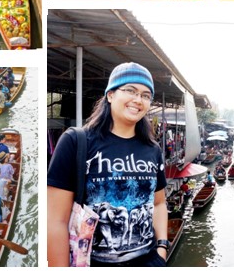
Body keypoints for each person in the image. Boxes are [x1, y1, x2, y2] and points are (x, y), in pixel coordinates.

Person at [48, 62, 169, 266]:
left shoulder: (153, 149)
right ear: (110, 95)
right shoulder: (76, 141)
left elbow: (158, 203)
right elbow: (54, 220)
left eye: (146, 95)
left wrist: (162, 249)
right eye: (130, 90)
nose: (138, 99)